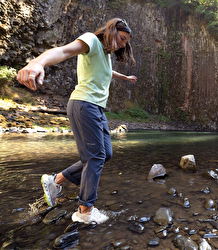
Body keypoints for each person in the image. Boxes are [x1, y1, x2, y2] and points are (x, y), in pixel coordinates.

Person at [17, 18, 137, 224]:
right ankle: (85, 211)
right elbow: (64, 51)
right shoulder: (91, 40)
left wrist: (124, 78)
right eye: (122, 38)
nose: (123, 44)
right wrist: (37, 62)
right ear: (112, 30)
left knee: (104, 154)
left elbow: (107, 72)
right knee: (96, 156)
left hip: (97, 109)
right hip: (84, 105)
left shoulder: (105, 54)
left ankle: (55, 181)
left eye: (126, 42)